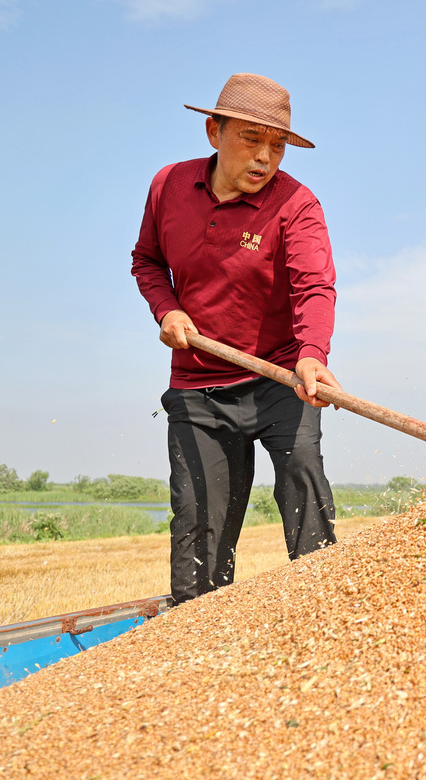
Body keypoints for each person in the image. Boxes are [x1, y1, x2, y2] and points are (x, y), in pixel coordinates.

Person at [131, 73, 341, 605]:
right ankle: (196, 635)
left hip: (280, 379)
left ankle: (323, 615)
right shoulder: (169, 186)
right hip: (198, 387)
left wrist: (312, 355)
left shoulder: (297, 204)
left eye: (277, 146)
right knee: (200, 523)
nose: (265, 158)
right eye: (251, 139)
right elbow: (148, 261)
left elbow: (314, 286)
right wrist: (168, 308)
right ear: (213, 133)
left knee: (303, 481)